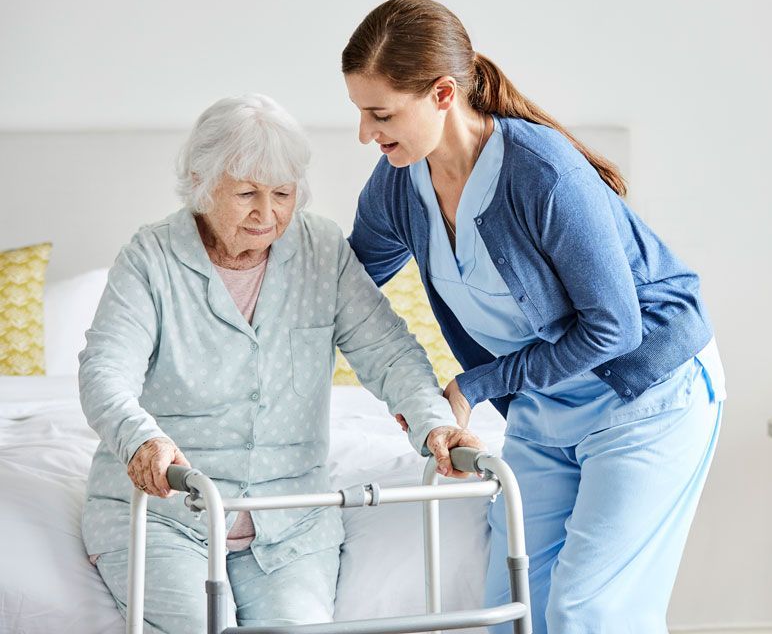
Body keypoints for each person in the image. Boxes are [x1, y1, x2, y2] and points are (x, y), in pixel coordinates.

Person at [342, 0, 725, 633]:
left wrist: (474, 385)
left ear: (442, 93)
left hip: (646, 395)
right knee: (512, 613)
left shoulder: (540, 172)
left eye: (380, 114)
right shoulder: (395, 186)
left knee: (587, 612)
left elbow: (615, 329)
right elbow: (344, 291)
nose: (365, 134)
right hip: (546, 407)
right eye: (359, 112)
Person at [79, 93, 481, 633]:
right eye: (246, 193)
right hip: (165, 514)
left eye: (283, 194)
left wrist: (434, 422)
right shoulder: (150, 259)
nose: (267, 215)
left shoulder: (321, 250)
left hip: (291, 519)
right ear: (201, 182)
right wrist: (140, 440)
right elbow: (105, 371)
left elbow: (387, 351)